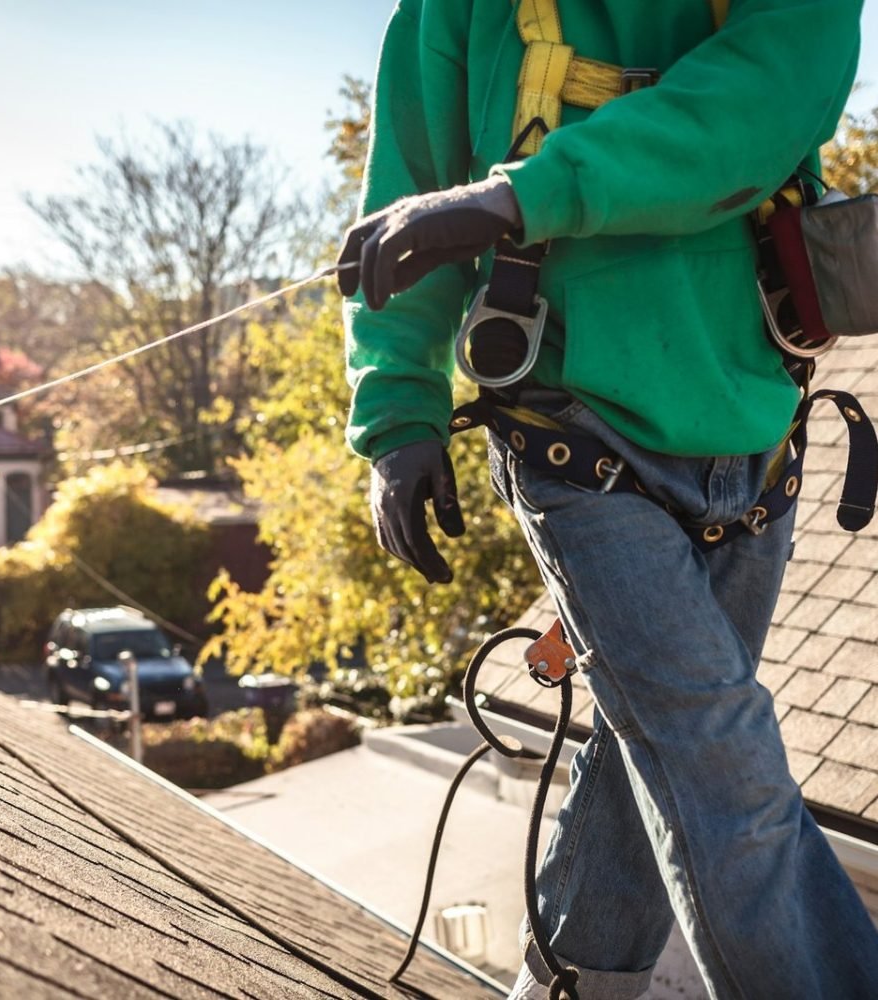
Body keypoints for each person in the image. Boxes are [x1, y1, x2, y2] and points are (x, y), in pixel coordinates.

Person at [339, 1, 878, 998]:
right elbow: (408, 191)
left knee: (662, 763)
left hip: (755, 429)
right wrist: (397, 410)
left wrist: (515, 199)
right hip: (570, 427)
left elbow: (765, 97)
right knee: (720, 767)